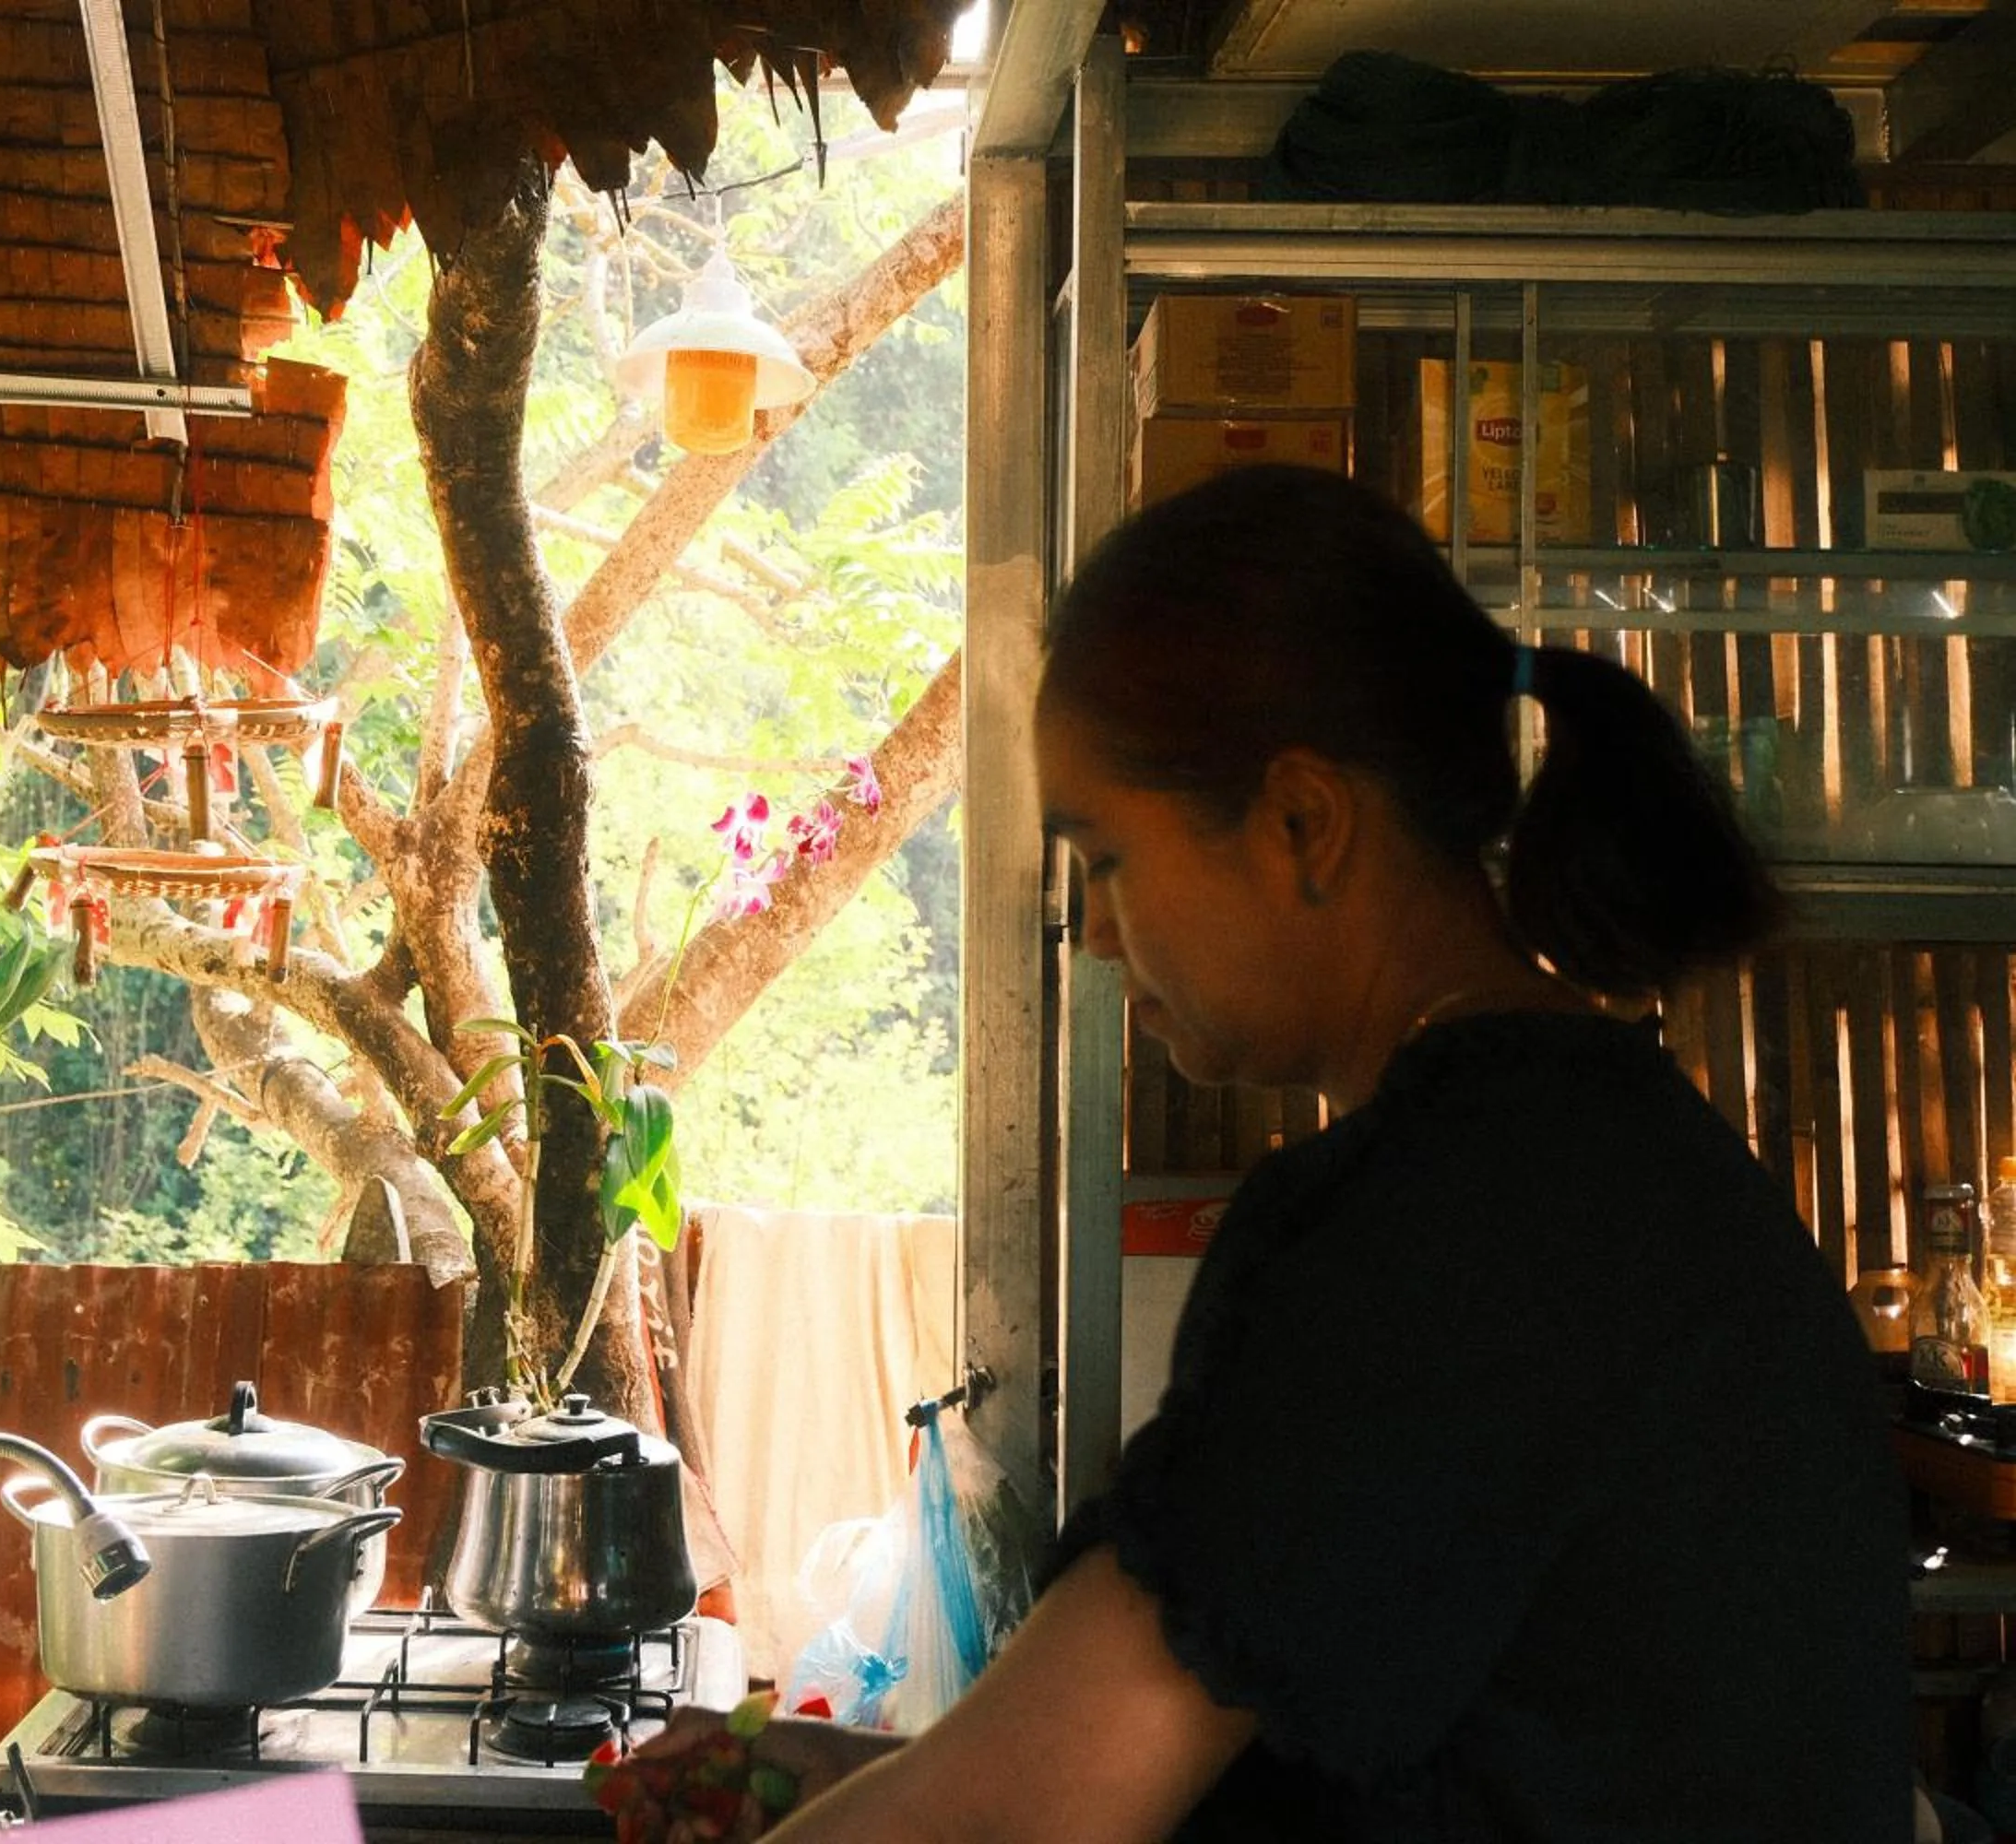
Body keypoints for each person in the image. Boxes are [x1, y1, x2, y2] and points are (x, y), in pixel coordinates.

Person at [626, 466, 1911, 1841]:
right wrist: (875, 1784)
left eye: (1107, 857)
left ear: (1304, 822)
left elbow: (1017, 1827)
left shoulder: (1443, 1234)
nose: (1098, 933)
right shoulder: (1587, 1153)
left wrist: (940, 1800)